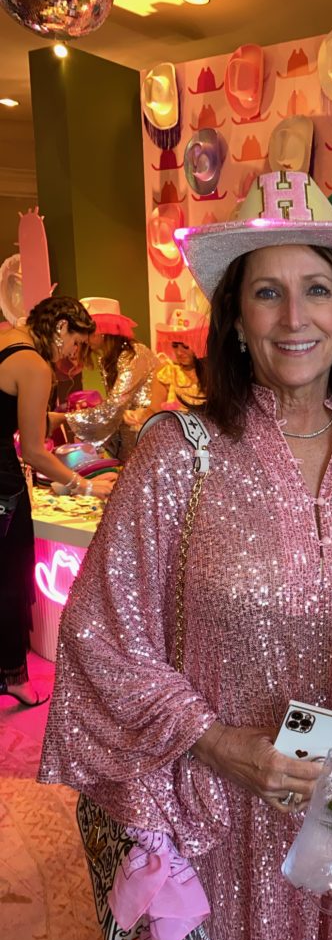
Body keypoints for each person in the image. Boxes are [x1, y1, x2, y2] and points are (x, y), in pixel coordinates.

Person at [39, 171, 332, 940]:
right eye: (267, 293)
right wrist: (212, 741)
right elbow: (100, 635)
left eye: (318, 289)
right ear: (235, 322)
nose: (294, 317)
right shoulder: (180, 453)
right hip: (220, 809)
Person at [0, 296, 116, 708]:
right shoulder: (34, 365)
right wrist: (85, 487)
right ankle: (13, 677)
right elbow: (34, 451)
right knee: (11, 580)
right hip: (3, 485)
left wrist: (66, 418)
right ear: (62, 326)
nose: (73, 354)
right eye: (77, 343)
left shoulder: (7, 339)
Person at [48, 297, 158, 462]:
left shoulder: (134, 356)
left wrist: (65, 418)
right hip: (129, 445)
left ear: (103, 329)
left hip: (147, 444)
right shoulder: (108, 359)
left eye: (88, 331)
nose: (84, 338)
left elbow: (113, 408)